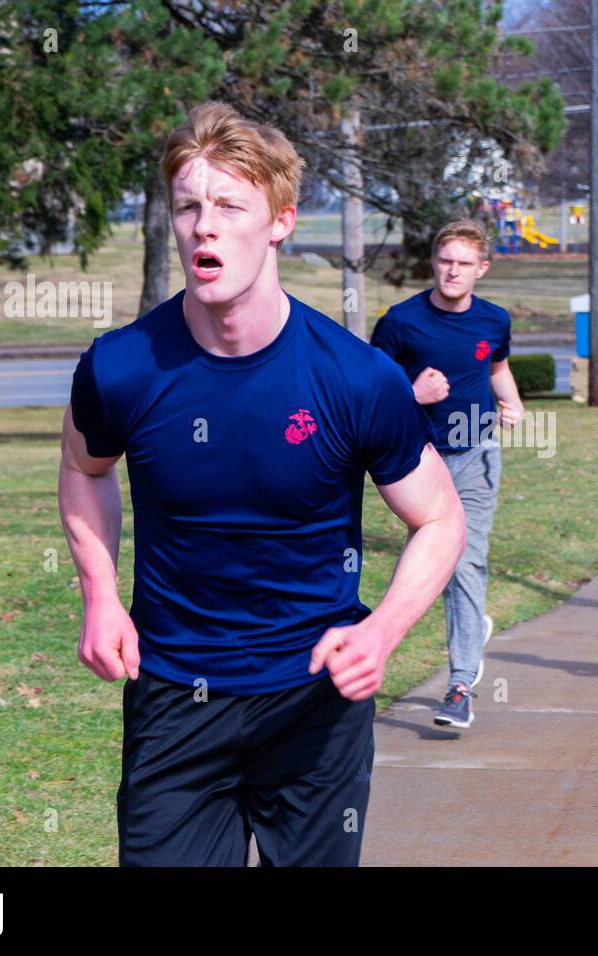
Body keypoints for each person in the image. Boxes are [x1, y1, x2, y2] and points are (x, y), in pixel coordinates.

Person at [58, 101, 466, 866]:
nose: (203, 226)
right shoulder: (121, 367)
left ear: (279, 221)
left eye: (228, 206)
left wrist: (382, 632)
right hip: (175, 697)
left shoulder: (356, 377)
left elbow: (440, 519)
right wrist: (100, 594)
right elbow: (84, 469)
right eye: (187, 205)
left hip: (314, 701)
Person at [370, 219, 524, 730]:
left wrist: (514, 404)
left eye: (463, 263)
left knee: (464, 562)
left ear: (481, 268)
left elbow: (496, 367)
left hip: (477, 453)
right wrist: (411, 395)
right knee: (431, 562)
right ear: (433, 262)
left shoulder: (494, 320)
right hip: (420, 461)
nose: (452, 271)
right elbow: (369, 392)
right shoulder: (400, 322)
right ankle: (469, 627)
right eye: (445, 260)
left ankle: (459, 685)